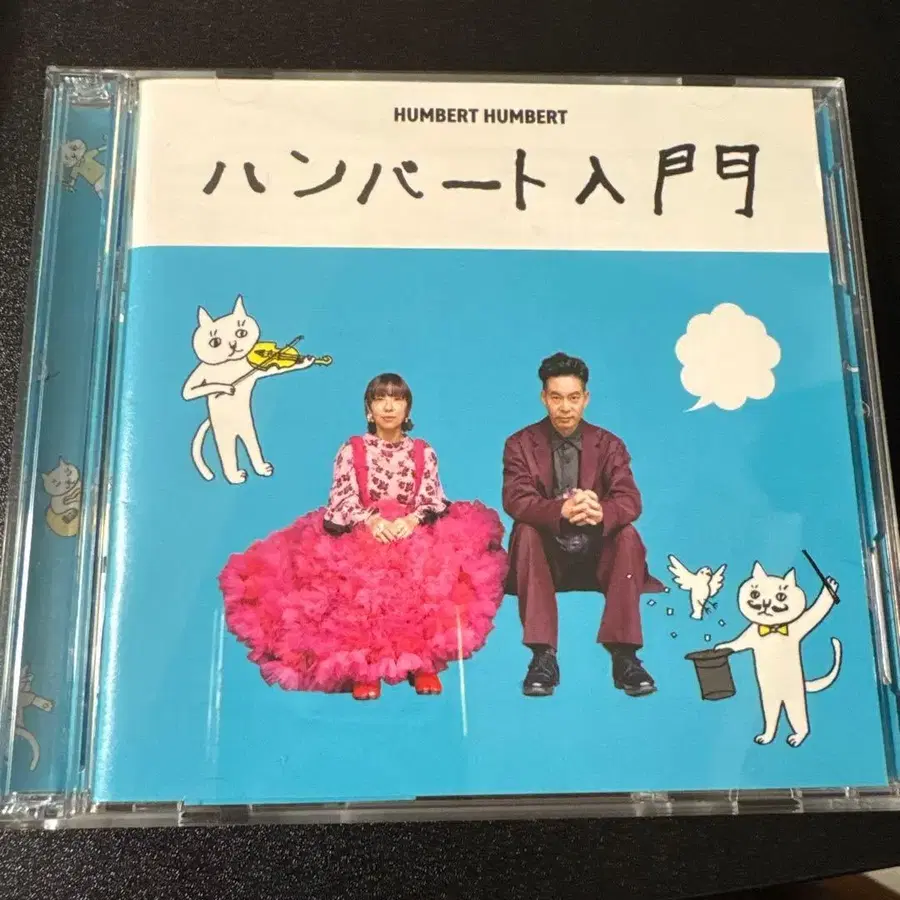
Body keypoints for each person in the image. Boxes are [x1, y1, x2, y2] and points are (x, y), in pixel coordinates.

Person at [220, 373, 509, 701]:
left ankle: (422, 665)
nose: (389, 406)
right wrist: (371, 522)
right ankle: (364, 669)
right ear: (368, 410)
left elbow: (433, 497)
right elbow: (341, 498)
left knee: (430, 576)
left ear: (407, 408)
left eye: (397, 399)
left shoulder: (423, 451)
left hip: (411, 531)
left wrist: (412, 520)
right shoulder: (352, 449)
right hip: (362, 531)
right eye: (380, 399)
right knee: (359, 590)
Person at [502, 352, 665, 698]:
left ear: (586, 398)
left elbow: (630, 500)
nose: (565, 407)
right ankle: (543, 657)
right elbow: (516, 500)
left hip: (598, 555)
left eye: (573, 398)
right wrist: (561, 510)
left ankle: (625, 656)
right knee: (525, 530)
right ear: (544, 397)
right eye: (556, 397)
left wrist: (600, 511)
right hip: (545, 556)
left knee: (628, 534)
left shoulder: (610, 444)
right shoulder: (519, 444)